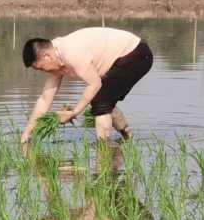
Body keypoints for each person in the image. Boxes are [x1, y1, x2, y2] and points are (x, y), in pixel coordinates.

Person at [21, 27, 153, 143]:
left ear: (47, 57)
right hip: (125, 58)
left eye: (41, 68)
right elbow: (44, 99)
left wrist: (74, 112)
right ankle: (128, 137)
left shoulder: (71, 52)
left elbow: (94, 84)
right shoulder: (56, 60)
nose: (44, 72)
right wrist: (27, 133)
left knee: (100, 99)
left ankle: (104, 152)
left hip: (136, 54)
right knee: (103, 99)